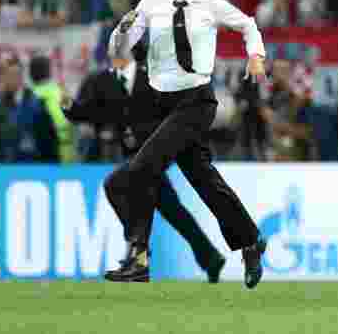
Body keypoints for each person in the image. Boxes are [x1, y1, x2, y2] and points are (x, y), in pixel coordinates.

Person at [104, 0, 268, 287]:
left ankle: (138, 257)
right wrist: (120, 31)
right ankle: (251, 241)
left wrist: (255, 56)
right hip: (158, 104)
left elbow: (248, 25)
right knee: (203, 180)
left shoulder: (210, 5)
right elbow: (119, 52)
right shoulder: (151, 2)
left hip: (194, 101)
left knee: (139, 171)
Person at [63, 38, 227, 283]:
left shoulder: (154, 75)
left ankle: (138, 255)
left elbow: (173, 113)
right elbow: (90, 112)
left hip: (159, 150)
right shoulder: (103, 81)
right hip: (134, 155)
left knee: (116, 185)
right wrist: (70, 108)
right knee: (171, 208)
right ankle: (209, 257)